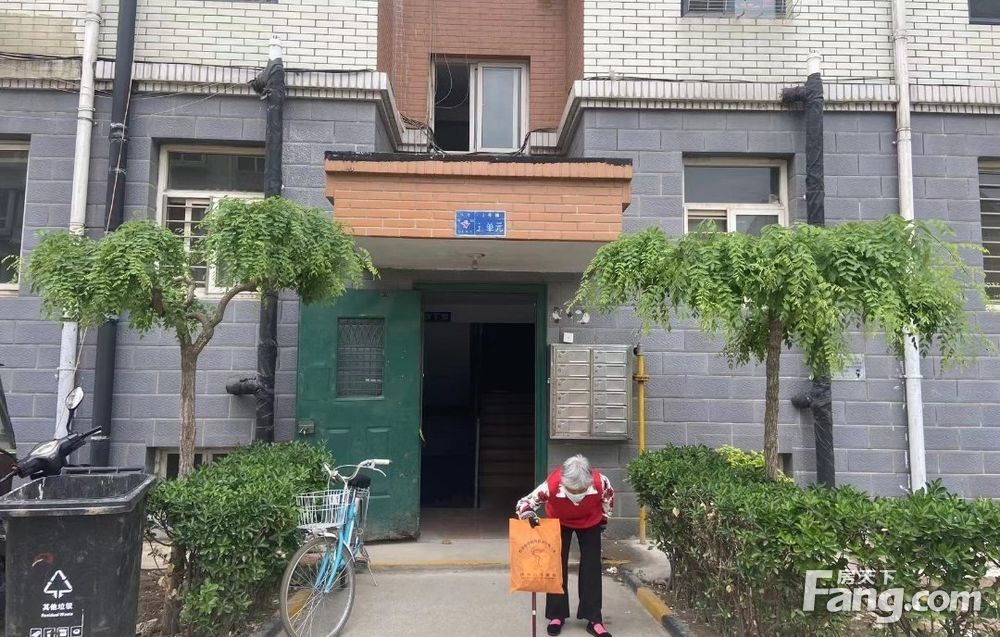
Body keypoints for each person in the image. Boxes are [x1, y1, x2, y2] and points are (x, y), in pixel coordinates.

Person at [515, 454, 615, 637]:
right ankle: (556, 615)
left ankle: (594, 619)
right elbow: (524, 503)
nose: (576, 495)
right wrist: (529, 515)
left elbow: (608, 501)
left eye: (581, 490)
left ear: (588, 481)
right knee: (556, 565)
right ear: (563, 482)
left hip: (590, 520)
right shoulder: (551, 485)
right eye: (572, 490)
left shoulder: (601, 482)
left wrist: (603, 520)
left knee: (592, 566)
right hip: (559, 521)